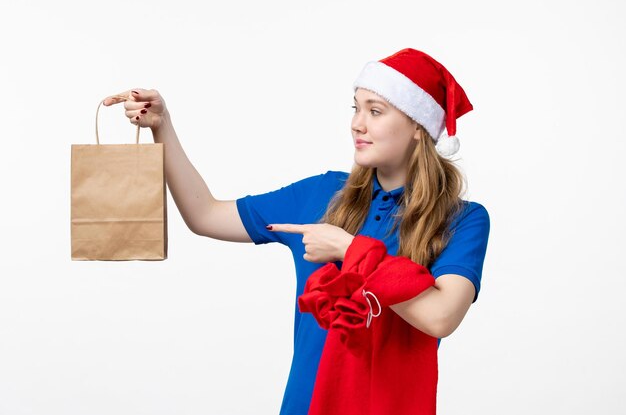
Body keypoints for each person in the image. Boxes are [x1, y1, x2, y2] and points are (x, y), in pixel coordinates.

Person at [103, 48, 490, 415]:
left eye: (376, 111)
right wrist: (162, 126)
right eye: (356, 108)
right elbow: (205, 214)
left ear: (419, 127)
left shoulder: (464, 220)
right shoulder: (323, 195)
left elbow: (441, 317)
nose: (358, 123)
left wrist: (349, 250)